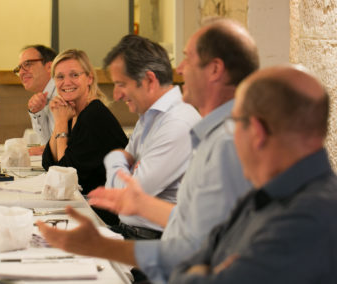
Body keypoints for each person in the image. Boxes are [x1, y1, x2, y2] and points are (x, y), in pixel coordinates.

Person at [37, 17, 259, 284]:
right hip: (138, 238)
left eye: (122, 84)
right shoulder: (152, 120)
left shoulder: (188, 126)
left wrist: (124, 171)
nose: (179, 68)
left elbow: (128, 194)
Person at [168, 65, 337, 284]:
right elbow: (185, 264)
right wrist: (208, 272)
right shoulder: (260, 195)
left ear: (256, 132)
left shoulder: (309, 219)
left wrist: (204, 271)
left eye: (235, 122)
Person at [101, 34, 200, 240]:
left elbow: (124, 197)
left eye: (121, 84)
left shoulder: (177, 123)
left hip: (154, 244)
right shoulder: (149, 116)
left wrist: (115, 159)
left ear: (149, 80)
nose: (116, 95)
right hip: (133, 233)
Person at [41, 49, 128, 225]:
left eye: (74, 75)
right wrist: (62, 120)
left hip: (107, 217)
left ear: (89, 78)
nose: (66, 82)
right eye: (59, 77)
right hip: (85, 206)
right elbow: (48, 163)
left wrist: (59, 122)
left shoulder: (94, 116)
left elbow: (64, 175)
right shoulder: (75, 112)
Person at [14, 45, 57, 154]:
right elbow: (46, 141)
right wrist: (37, 112)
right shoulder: (44, 96)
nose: (22, 73)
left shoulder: (63, 92)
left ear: (49, 67)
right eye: (19, 68)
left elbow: (64, 145)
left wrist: (36, 151)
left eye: (27, 64)